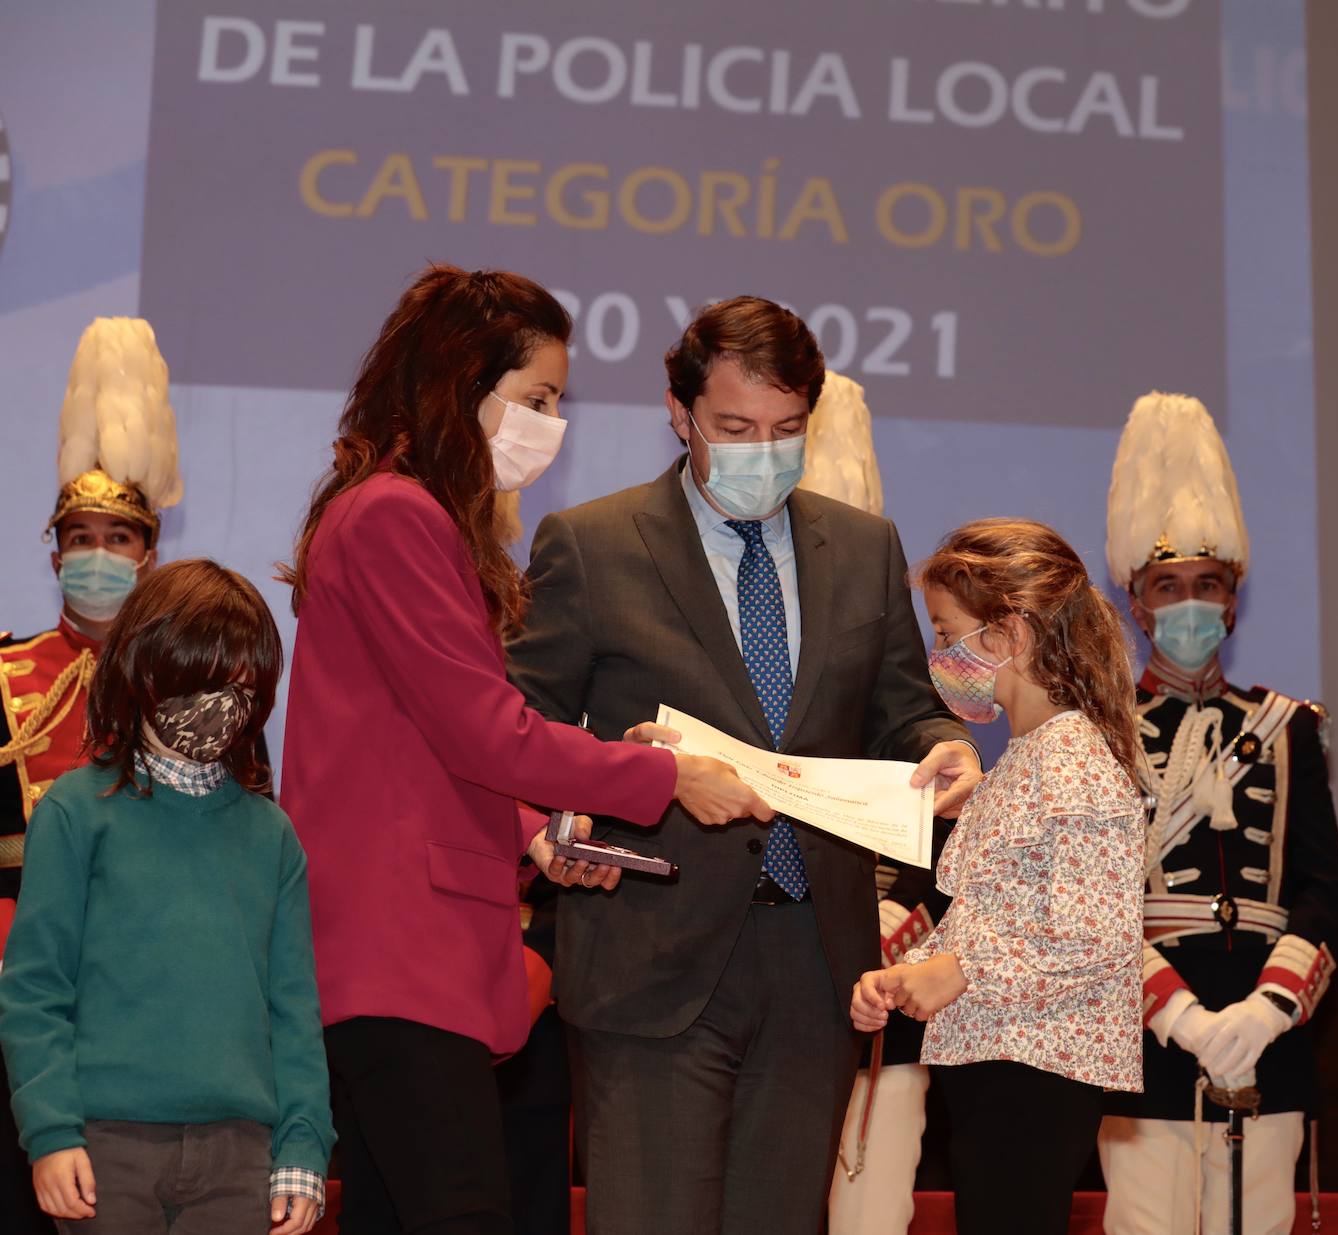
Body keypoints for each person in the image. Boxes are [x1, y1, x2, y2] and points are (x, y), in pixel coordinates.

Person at [277, 265, 768, 1235]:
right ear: (464, 382)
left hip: (404, 945)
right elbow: (484, 729)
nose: (551, 424)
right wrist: (666, 774)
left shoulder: (402, 512)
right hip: (399, 946)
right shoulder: (397, 513)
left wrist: (540, 834)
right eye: (536, 398)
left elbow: (424, 741)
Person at [504, 297, 981, 1235]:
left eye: (786, 428)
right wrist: (577, 808)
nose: (763, 449)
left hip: (816, 956)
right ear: (679, 414)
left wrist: (946, 743)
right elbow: (523, 729)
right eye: (734, 427)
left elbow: (901, 709)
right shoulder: (592, 544)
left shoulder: (865, 546)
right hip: (650, 948)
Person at [0, 558, 335, 1233]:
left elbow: (294, 1008)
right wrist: (52, 1129)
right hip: (106, 1145)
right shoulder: (74, 812)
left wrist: (303, 1141)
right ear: (144, 670)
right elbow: (36, 987)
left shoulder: (272, 836)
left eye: (240, 686)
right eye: (200, 679)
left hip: (241, 1153)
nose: (219, 705)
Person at [1096, 393, 1338, 1235]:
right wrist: (1181, 1016)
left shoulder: (1287, 727)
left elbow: (1321, 891)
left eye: (1208, 585)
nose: (1190, 603)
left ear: (1233, 601)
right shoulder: (1099, 732)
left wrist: (1268, 1008)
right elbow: (1092, 901)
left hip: (1267, 1032)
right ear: (1137, 604)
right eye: (1168, 587)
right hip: (1148, 1034)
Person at [852, 518, 1146, 1235]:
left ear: (1010, 633)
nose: (938, 656)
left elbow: (1095, 935)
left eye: (947, 633)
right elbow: (989, 914)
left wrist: (958, 971)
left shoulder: (1073, 755)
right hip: (996, 1050)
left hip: (1038, 1059)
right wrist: (904, 974)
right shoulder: (1026, 755)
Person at [0, 316, 180, 1234]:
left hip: (141, 986)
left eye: (118, 537)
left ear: (150, 553)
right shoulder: (3, 673)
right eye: (80, 536)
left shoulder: (186, 691)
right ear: (54, 552)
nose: (97, 555)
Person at [795, 371, 945, 1235]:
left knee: (872, 1211)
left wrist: (881, 928)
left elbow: (939, 836)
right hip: (767, 968)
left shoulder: (905, 684)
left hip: (886, 971)